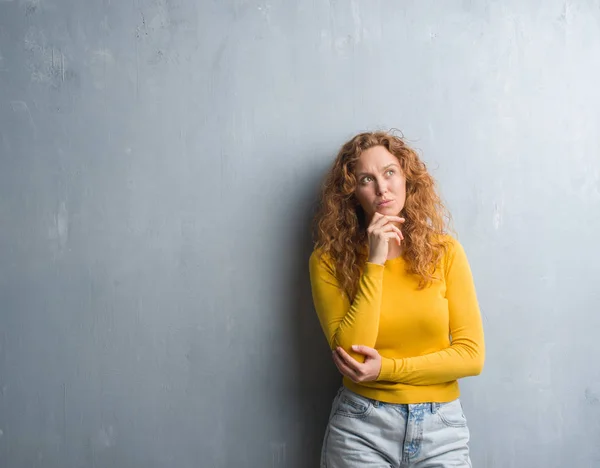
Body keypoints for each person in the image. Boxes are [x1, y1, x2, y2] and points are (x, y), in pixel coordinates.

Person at [308, 130, 485, 467]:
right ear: (352, 193)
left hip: (441, 429)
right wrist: (375, 261)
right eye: (366, 179)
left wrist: (386, 369)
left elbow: (471, 356)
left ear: (407, 177)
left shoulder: (444, 252)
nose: (382, 187)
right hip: (361, 427)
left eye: (389, 172)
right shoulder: (327, 261)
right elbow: (354, 359)